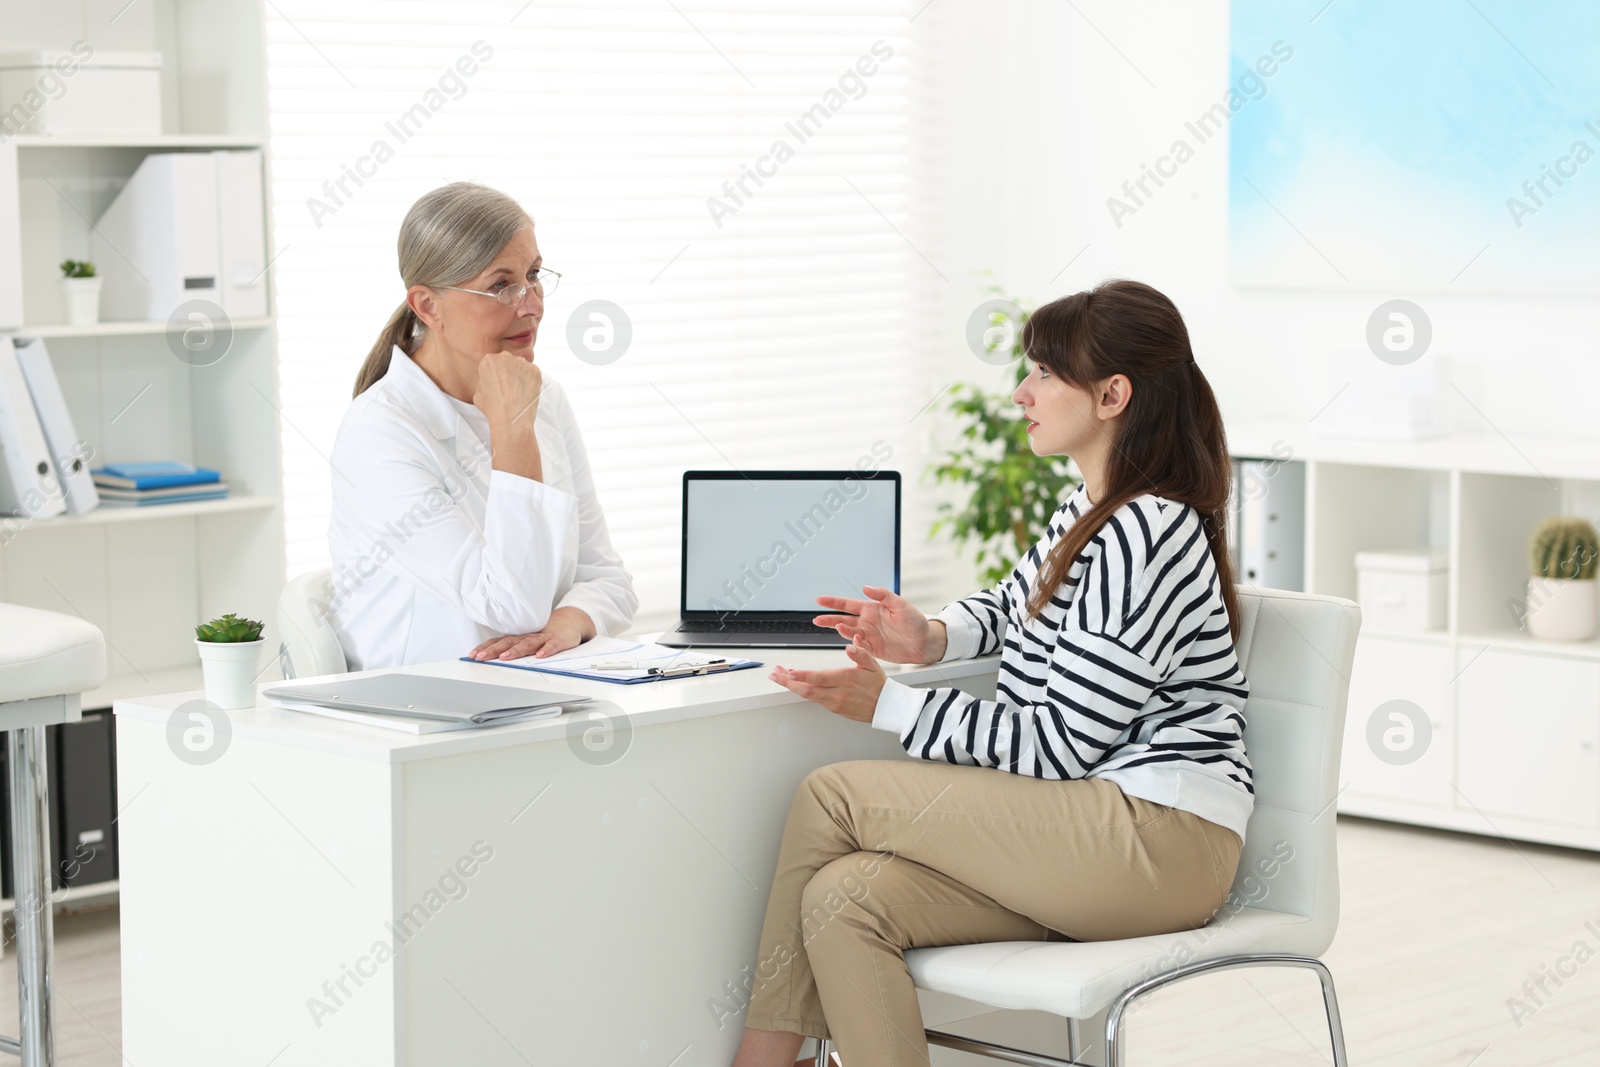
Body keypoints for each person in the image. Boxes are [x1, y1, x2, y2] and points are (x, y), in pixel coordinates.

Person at [731, 279, 1251, 1066]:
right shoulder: (1089, 510)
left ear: (1113, 394)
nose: (1021, 393)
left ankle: (757, 1063)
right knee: (844, 898)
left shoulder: (1146, 530)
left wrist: (893, 705)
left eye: (1044, 373)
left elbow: (1060, 747)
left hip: (1160, 840)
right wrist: (928, 636)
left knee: (830, 793)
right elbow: (1014, 605)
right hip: (1093, 832)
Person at [326, 182, 636, 671]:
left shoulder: (544, 396)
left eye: (533, 275)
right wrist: (512, 432)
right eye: (500, 285)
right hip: (424, 706)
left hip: (539, 688)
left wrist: (569, 622)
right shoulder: (378, 433)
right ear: (428, 306)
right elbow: (511, 606)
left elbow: (609, 579)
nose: (531, 304)